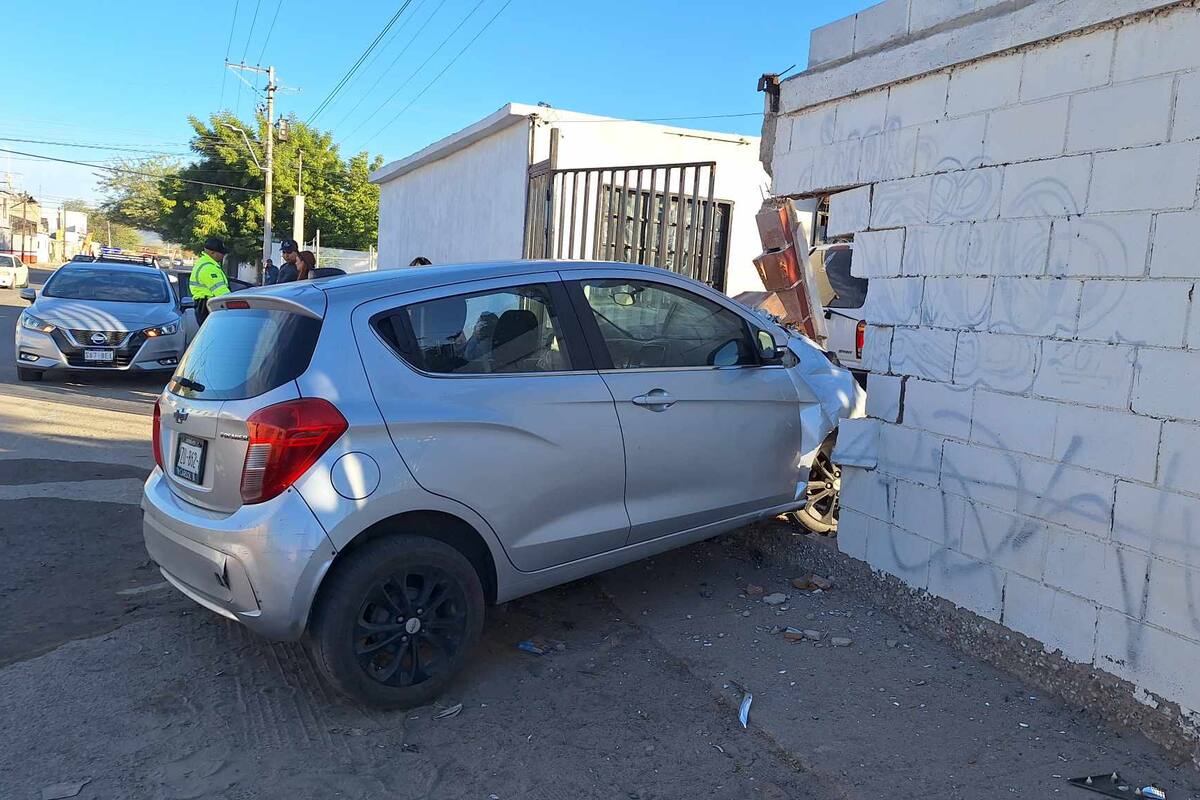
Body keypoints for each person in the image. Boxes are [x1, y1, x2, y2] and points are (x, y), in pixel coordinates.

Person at [190, 237, 231, 325]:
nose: (223, 255)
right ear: (212, 252)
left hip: (204, 307)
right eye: (221, 253)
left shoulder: (204, 263)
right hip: (208, 307)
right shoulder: (209, 268)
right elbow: (222, 293)